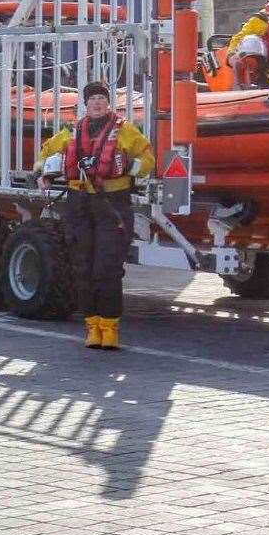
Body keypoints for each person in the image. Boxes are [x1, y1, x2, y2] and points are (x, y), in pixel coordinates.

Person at [35, 82, 156, 351]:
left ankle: (110, 328)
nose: (98, 103)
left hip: (111, 205)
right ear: (85, 105)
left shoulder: (125, 131)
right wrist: (42, 172)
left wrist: (127, 164)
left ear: (108, 103)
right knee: (82, 268)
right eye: (93, 99)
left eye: (102, 98)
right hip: (79, 204)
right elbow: (45, 153)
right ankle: (92, 326)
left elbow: (148, 161)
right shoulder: (71, 131)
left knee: (107, 269)